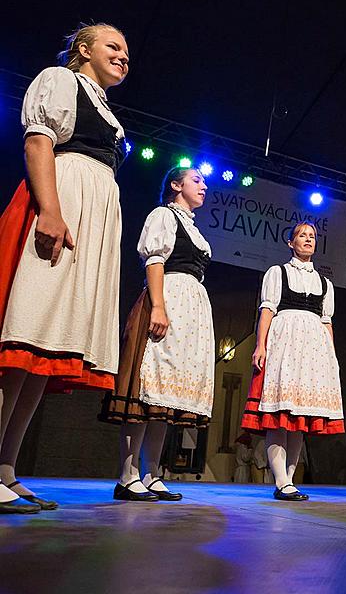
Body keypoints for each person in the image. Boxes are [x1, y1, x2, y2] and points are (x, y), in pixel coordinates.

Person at [0, 23, 129, 513]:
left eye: (126, 51)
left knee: (42, 354)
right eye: (113, 46)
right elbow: (39, 143)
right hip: (64, 204)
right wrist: (51, 210)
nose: (123, 56)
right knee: (24, 337)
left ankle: (6, 469)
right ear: (83, 49)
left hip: (91, 217)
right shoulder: (60, 80)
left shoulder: (103, 104)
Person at [98, 166, 214, 502]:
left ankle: (151, 473)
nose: (203, 186)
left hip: (189, 309)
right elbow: (155, 261)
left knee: (165, 398)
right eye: (197, 180)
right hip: (166, 300)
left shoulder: (192, 228)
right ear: (176, 185)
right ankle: (127, 475)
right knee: (146, 389)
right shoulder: (163, 215)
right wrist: (159, 307)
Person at [240, 222, 344, 501]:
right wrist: (260, 345)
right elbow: (267, 310)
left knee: (301, 418)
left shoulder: (325, 283)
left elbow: (327, 322)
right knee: (280, 415)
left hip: (313, 352)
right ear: (290, 242)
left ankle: (289, 480)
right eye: (302, 235)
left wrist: (331, 357)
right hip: (285, 344)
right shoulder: (278, 272)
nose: (308, 240)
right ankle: (282, 481)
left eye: (312, 236)